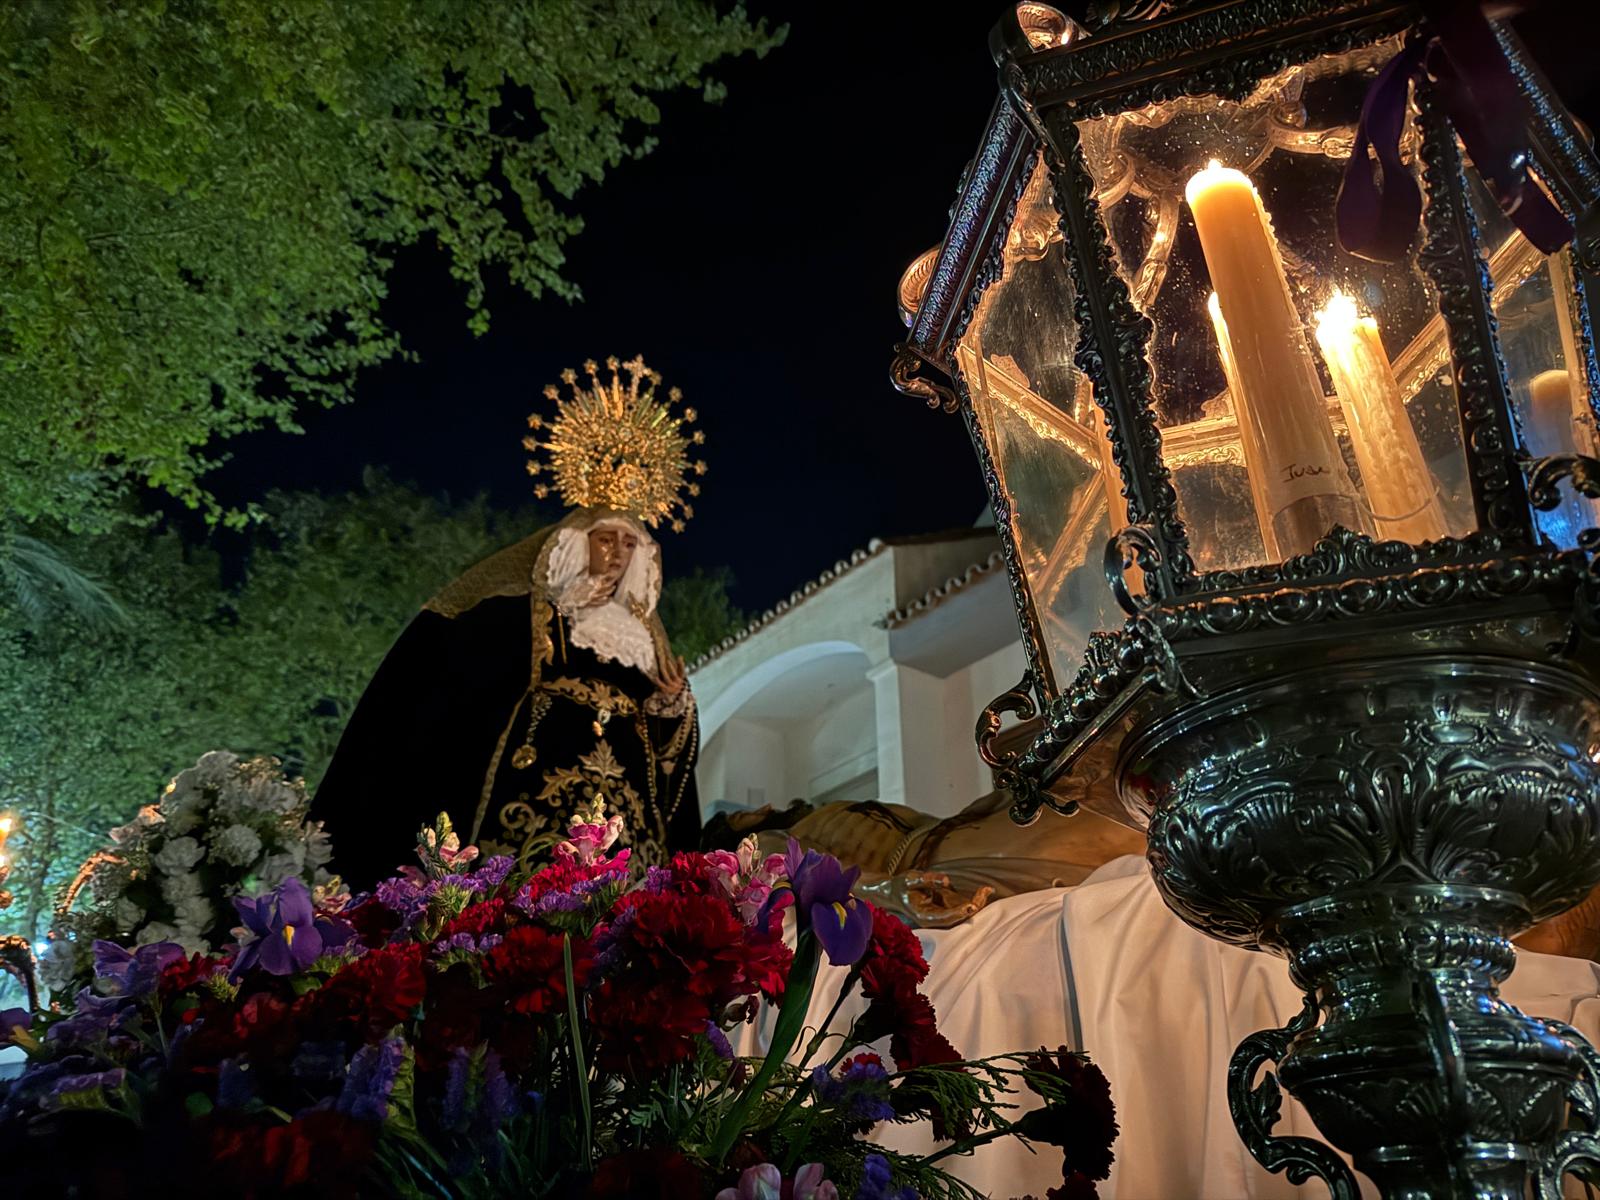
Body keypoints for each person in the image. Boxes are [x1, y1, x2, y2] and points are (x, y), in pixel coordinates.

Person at [313, 356, 704, 887]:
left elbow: (669, 768)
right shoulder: (525, 612)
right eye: (605, 539)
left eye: (628, 543)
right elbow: (457, 687)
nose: (616, 553)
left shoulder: (644, 640)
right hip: (527, 799)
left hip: (626, 824)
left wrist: (674, 711)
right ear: (576, 543)